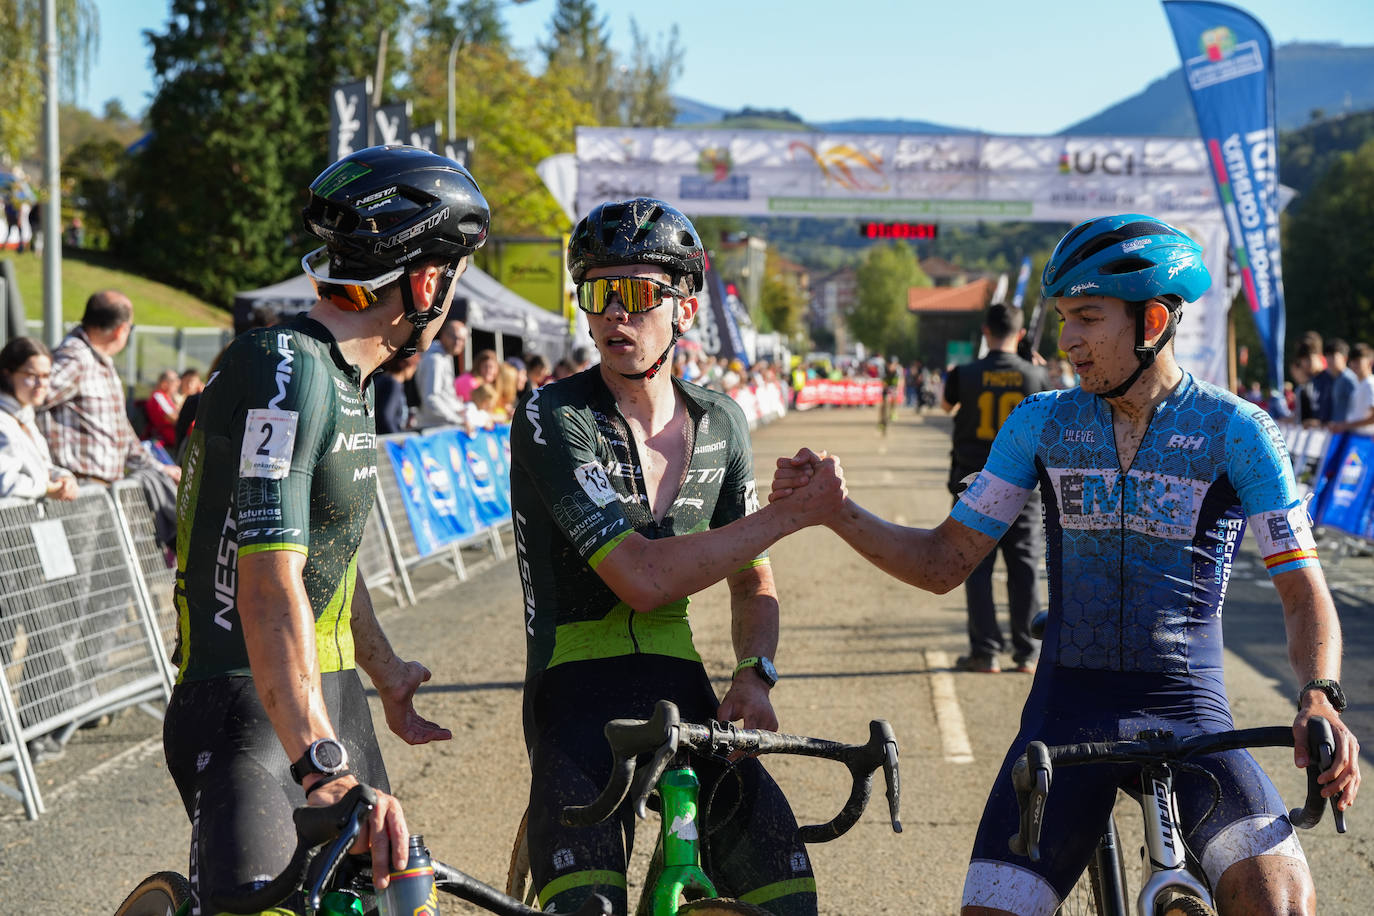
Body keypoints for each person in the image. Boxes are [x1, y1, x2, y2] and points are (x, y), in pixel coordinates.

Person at [773, 214, 1359, 916]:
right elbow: (942, 561)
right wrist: (838, 510)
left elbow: (1301, 590)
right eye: (1061, 318)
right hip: (1067, 711)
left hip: (1190, 712)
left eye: (1086, 316)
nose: (1067, 340)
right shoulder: (1041, 423)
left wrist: (1319, 695)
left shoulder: (1239, 431)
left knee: (1282, 903)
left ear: (1152, 320)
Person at [162, 144, 489, 909]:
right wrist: (318, 764)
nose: (449, 310)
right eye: (455, 285)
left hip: (334, 699)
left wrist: (385, 669)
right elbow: (269, 584)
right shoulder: (283, 365)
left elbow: (326, 565)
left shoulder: (347, 382)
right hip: (243, 704)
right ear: (426, 280)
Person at [509, 197, 845, 916]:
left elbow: (752, 578)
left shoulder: (721, 420)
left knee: (787, 893)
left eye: (636, 294)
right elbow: (643, 579)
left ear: (685, 309)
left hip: (683, 692)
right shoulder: (553, 415)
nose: (613, 315)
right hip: (574, 692)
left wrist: (755, 677)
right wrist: (785, 516)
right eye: (597, 294)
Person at [941, 303, 1050, 674]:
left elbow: (945, 406)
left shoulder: (965, 373)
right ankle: (1028, 652)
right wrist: (1035, 367)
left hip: (974, 483)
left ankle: (985, 652)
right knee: (1024, 568)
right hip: (1025, 487)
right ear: (1020, 335)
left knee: (977, 567)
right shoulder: (1036, 376)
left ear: (986, 331)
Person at [0, 336, 79, 763]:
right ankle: (17, 734)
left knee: (43, 632)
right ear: (9, 373)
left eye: (46, 376)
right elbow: (8, 483)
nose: (40, 384)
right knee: (16, 633)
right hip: (9, 541)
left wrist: (60, 476)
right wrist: (50, 486)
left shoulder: (25, 418)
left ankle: (30, 730)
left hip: (31, 538)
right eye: (31, 375)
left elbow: (37, 467)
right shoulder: (2, 418)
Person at [414, 317, 469, 428]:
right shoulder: (435, 360)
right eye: (454, 337)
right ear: (443, 335)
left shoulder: (445, 357)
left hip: (441, 426)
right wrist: (457, 420)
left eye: (462, 340)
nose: (458, 343)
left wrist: (459, 409)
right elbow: (431, 399)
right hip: (433, 428)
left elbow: (444, 396)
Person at [1331, 343, 1374, 435]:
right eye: (1352, 361)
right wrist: (1342, 425)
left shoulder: (1370, 384)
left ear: (1370, 362)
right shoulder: (1359, 384)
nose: (1353, 364)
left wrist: (1346, 425)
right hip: (1356, 437)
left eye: (1358, 361)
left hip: (1366, 439)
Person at [1315, 338, 1358, 430]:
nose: (1329, 360)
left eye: (1333, 356)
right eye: (1327, 356)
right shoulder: (1336, 379)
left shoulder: (1349, 379)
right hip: (1338, 431)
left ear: (1345, 358)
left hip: (1349, 432)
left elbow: (1358, 407)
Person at [374, 351, 419, 435]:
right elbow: (386, 416)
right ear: (404, 364)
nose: (415, 369)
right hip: (387, 441)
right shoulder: (393, 384)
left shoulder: (384, 379)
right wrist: (397, 438)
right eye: (414, 365)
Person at [143, 369, 181, 450]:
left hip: (172, 441)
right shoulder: (159, 396)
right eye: (175, 380)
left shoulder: (166, 397)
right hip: (166, 444)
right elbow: (174, 419)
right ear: (164, 384)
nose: (178, 382)